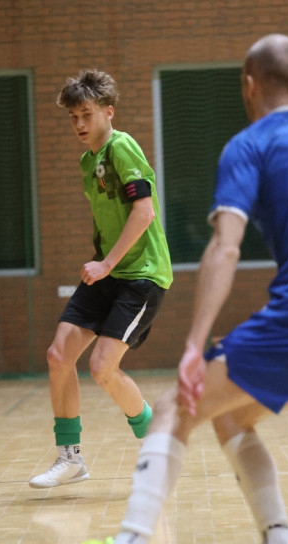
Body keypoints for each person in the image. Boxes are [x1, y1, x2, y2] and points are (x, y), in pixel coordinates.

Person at [42, 34, 288, 544]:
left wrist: (195, 344)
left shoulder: (250, 145)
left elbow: (225, 247)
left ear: (248, 85)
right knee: (232, 417)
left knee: (174, 407)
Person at [30, 69, 174, 489]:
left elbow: (144, 212)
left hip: (142, 274)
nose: (79, 124)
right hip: (109, 269)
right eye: (73, 117)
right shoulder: (87, 161)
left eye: (86, 114)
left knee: (101, 367)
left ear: (108, 112)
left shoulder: (121, 146)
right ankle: (70, 458)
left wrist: (106, 264)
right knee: (58, 356)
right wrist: (102, 261)